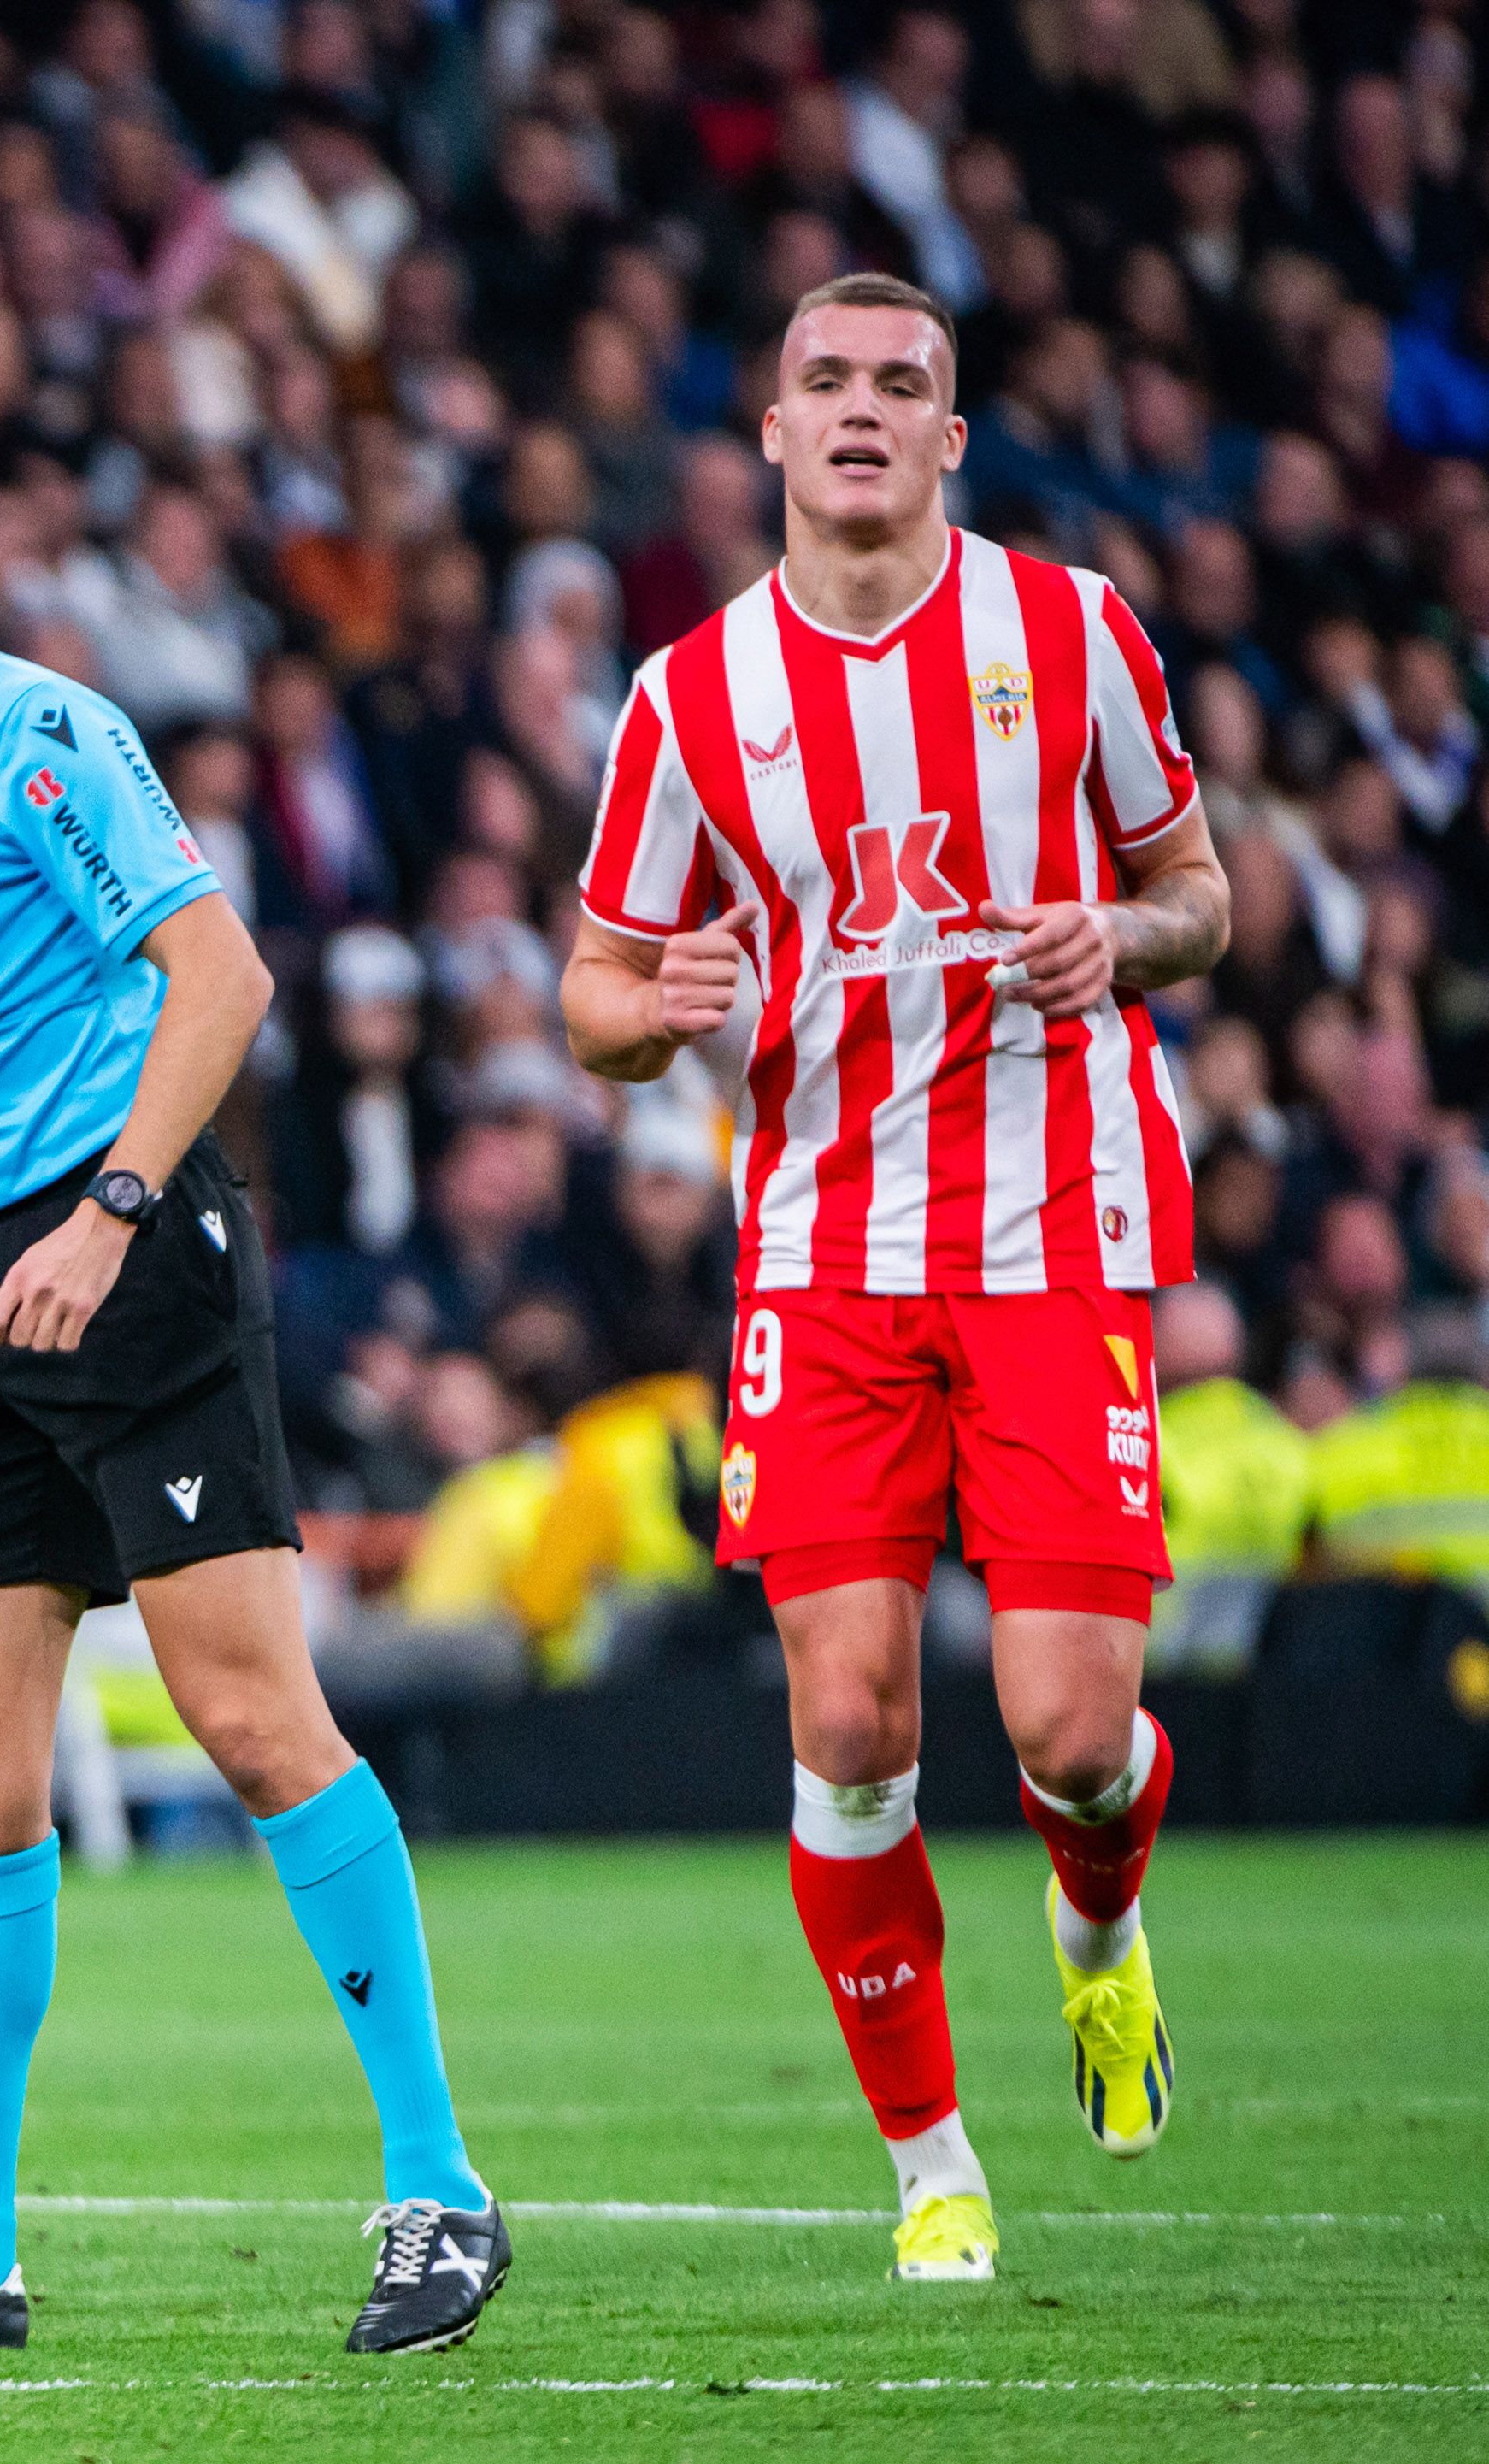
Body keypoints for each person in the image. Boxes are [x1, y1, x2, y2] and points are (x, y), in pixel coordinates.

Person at [0, 414, 511, 2357]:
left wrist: (115, 1211)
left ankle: (438, 2192)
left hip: (125, 1255)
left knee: (243, 1713)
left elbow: (218, 978)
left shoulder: (27, 733)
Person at [559, 273, 1233, 2288]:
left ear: (948, 438)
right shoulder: (686, 696)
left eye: (901, 387)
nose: (859, 412)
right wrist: (646, 1009)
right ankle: (931, 2165)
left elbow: (1198, 895)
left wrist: (1116, 940)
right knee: (847, 1725)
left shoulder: (1071, 633)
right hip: (820, 1247)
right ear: (764, 433)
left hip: (1053, 1232)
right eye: (822, 382)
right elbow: (590, 985)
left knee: (1063, 1734)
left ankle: (1097, 1939)